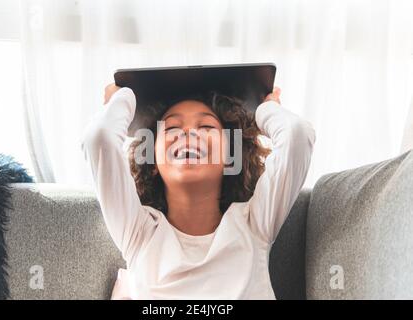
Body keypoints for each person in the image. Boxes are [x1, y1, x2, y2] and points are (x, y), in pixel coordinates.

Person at [81, 83, 315, 299]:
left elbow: (297, 135)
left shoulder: (255, 225)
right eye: (172, 127)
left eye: (206, 126)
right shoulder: (139, 232)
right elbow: (100, 138)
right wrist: (123, 96)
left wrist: (266, 109)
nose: (189, 134)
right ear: (152, 162)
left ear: (229, 157)